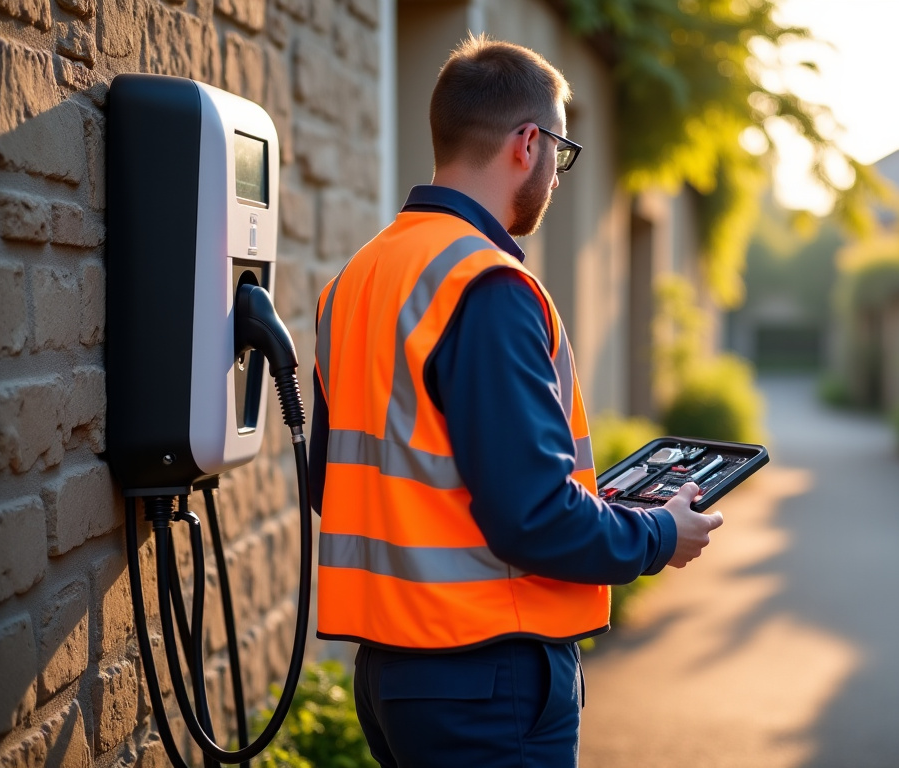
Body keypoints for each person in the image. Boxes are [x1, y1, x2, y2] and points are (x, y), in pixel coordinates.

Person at [307, 34, 724, 767]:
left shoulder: (356, 280)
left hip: (392, 677)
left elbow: (332, 487)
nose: (557, 177)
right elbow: (533, 516)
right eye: (561, 154)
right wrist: (660, 533)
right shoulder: (488, 285)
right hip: (486, 680)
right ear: (528, 144)